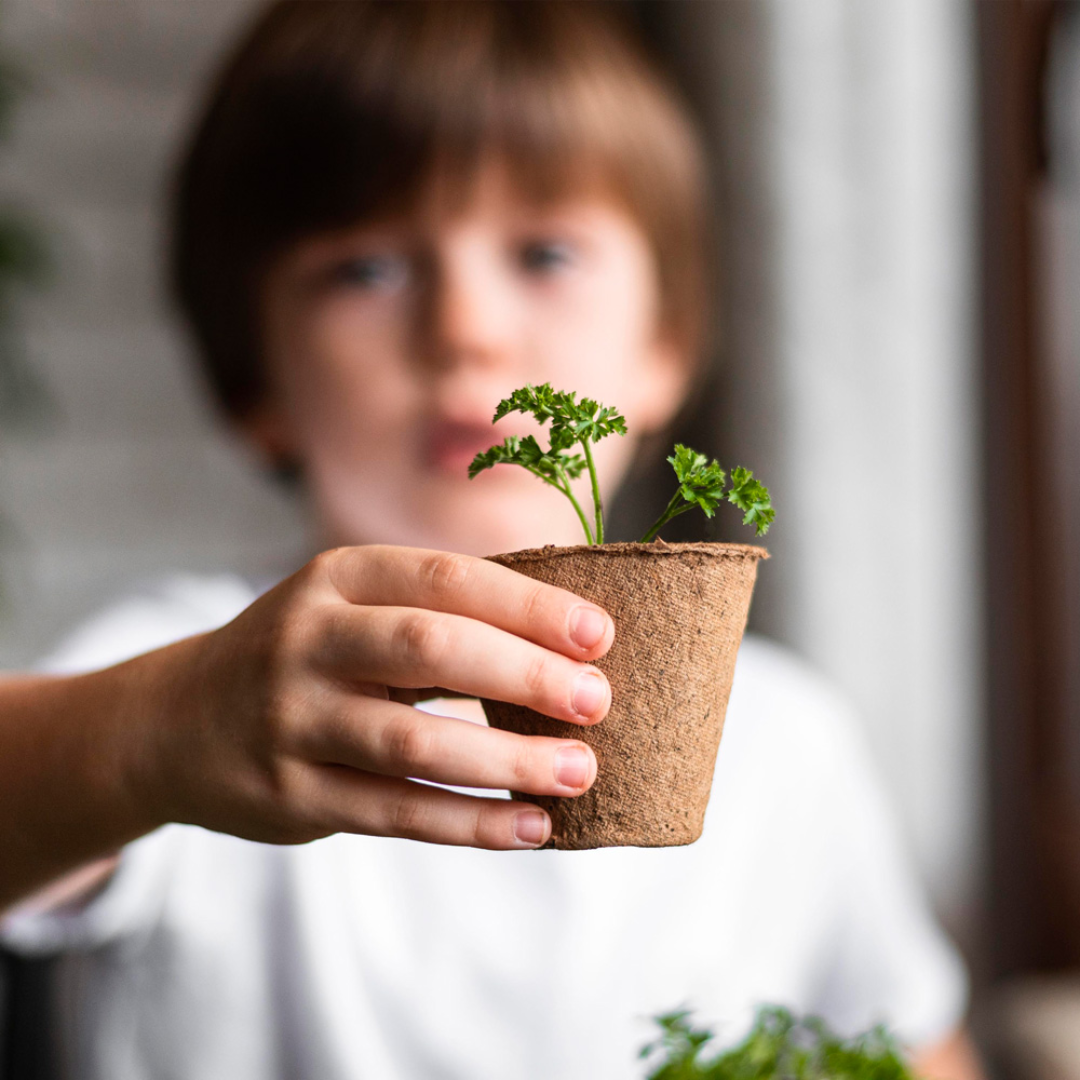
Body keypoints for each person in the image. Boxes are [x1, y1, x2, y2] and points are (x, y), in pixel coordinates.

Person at [0, 3, 982, 1077]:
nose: (465, 327)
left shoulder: (790, 745)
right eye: (365, 271)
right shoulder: (193, 666)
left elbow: (917, 1051)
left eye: (545, 253)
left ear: (664, 348)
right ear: (257, 385)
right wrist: (157, 734)